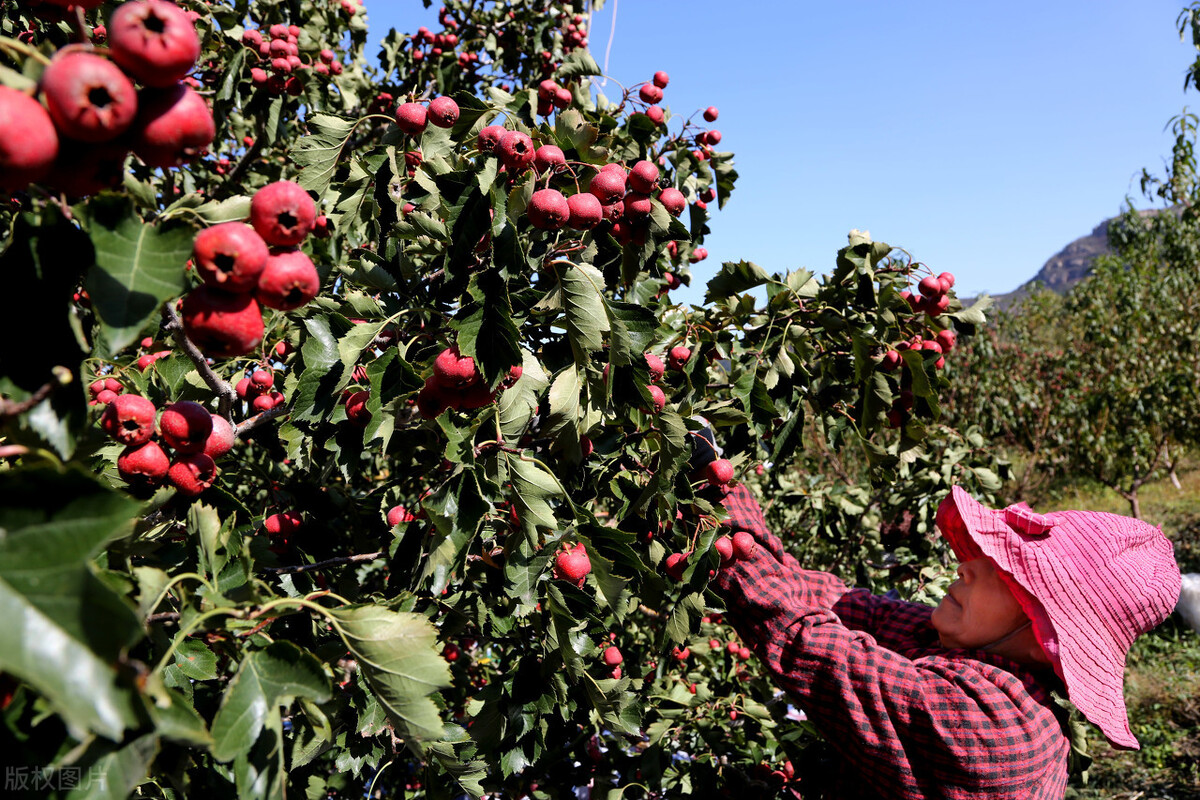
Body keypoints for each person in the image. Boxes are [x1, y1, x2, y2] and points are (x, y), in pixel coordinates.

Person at [708, 480, 1182, 799]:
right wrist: (721, 493)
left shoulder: (995, 728)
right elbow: (840, 605)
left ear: (1045, 638)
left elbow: (811, 646)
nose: (967, 565)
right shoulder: (966, 650)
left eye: (1004, 571)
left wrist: (714, 514)